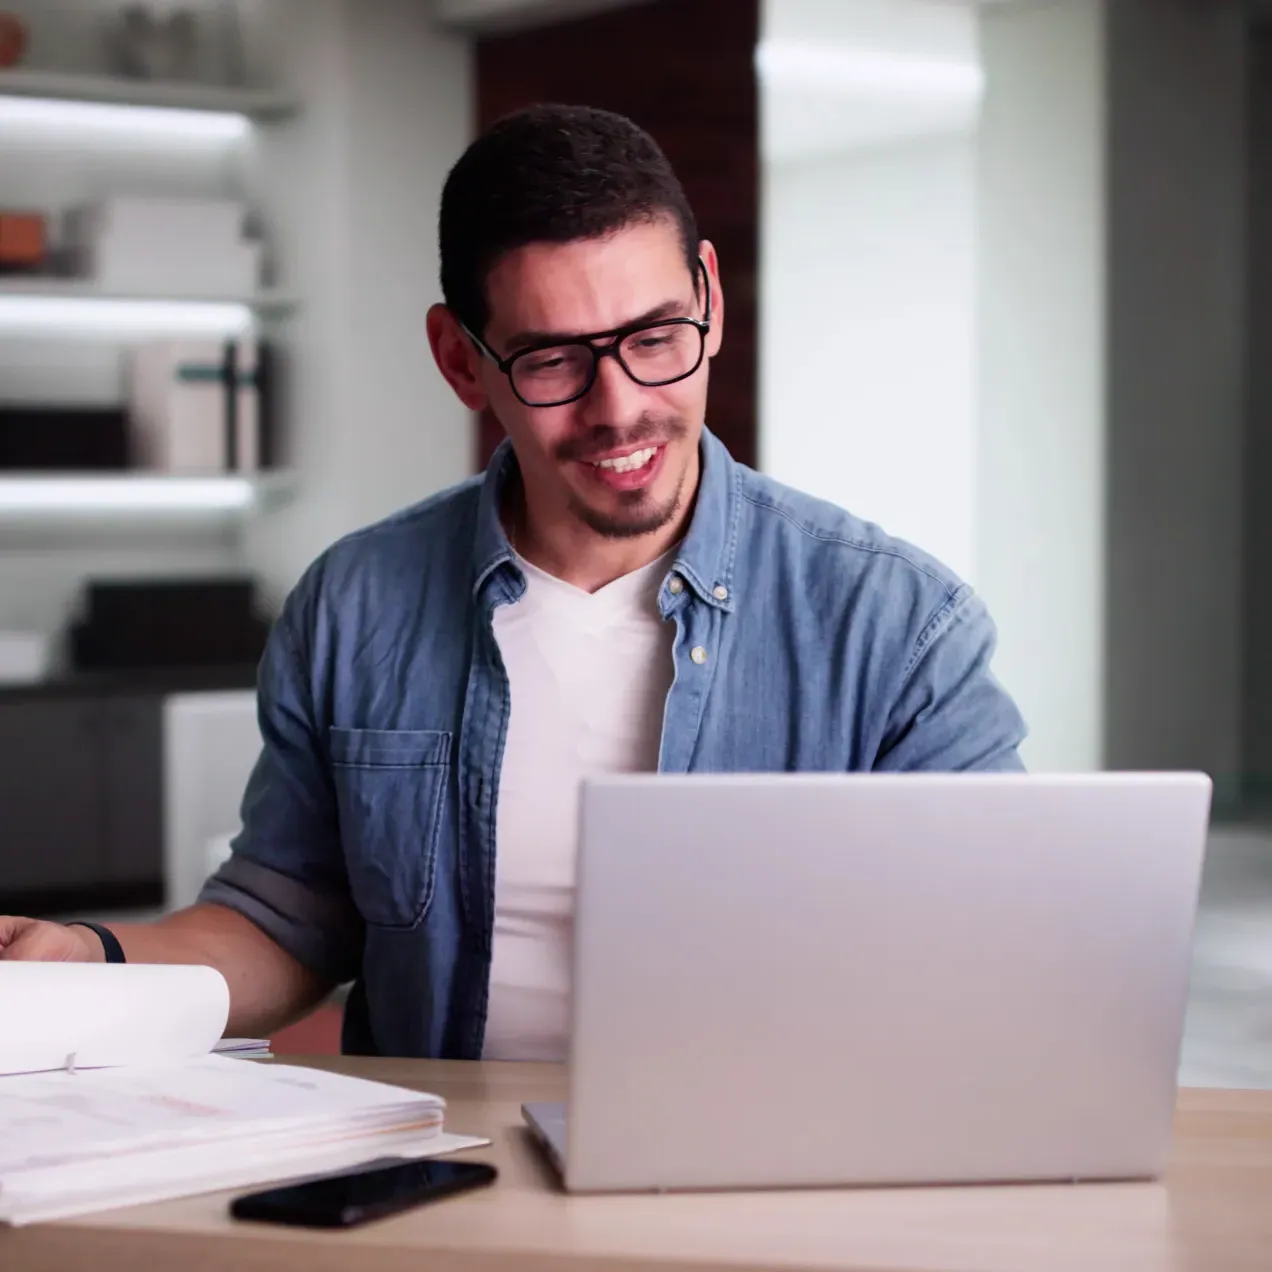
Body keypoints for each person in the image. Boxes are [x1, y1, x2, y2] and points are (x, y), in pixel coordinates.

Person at [0, 104, 1027, 1060]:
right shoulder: (355, 607)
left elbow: (997, 955)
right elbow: (290, 920)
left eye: (657, 337)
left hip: (761, 1178)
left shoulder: (898, 626)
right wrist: (94, 961)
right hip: (441, 1185)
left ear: (708, 298)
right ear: (461, 360)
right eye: (551, 362)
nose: (620, 408)